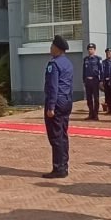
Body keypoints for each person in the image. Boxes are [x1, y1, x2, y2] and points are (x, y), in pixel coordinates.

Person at [43, 35, 74, 178]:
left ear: (57, 49)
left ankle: (58, 168)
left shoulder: (54, 64)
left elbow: (53, 87)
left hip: (56, 102)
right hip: (66, 101)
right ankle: (64, 165)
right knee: (63, 134)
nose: (50, 49)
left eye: (52, 46)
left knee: (55, 136)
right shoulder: (68, 63)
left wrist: (51, 107)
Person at [83, 43, 102, 120]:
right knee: (89, 98)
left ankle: (96, 114)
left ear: (94, 50)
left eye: (91, 49)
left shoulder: (98, 59)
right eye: (89, 49)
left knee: (96, 98)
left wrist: (101, 80)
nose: (90, 50)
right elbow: (84, 70)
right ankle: (90, 113)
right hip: (88, 80)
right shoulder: (86, 59)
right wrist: (84, 79)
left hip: (95, 80)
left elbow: (101, 70)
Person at [102, 48, 111, 115]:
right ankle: (109, 109)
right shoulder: (104, 62)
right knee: (107, 96)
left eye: (109, 53)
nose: (108, 54)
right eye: (106, 53)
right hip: (105, 81)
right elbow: (102, 72)